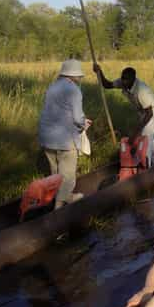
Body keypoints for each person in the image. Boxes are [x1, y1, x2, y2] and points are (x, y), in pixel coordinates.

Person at [37, 59, 91, 209]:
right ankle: (59, 207)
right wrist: (84, 123)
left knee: (55, 173)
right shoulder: (74, 90)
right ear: (74, 76)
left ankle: (65, 197)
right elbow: (77, 117)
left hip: (46, 137)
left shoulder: (53, 87)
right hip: (65, 139)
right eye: (79, 76)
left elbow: (57, 111)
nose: (80, 79)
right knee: (67, 176)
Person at [93, 64, 154, 166]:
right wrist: (99, 72)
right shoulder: (122, 82)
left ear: (133, 79)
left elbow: (149, 113)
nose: (123, 81)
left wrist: (135, 132)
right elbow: (107, 85)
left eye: (126, 80)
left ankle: (146, 167)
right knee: (148, 135)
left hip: (153, 110)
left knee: (145, 136)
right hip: (143, 110)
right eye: (123, 78)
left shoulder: (141, 90)